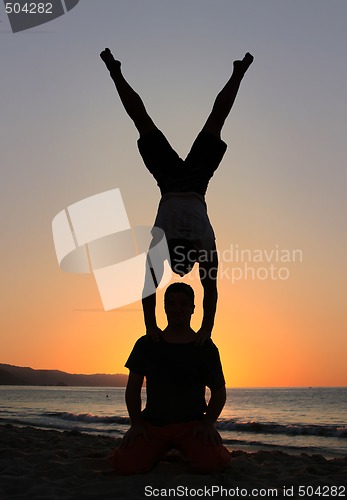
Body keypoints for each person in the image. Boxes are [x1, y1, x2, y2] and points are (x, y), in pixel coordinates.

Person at [100, 49, 253, 343]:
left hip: (194, 182)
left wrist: (204, 330)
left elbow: (209, 292)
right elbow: (150, 290)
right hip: (170, 181)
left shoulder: (204, 244)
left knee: (214, 120)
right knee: (142, 121)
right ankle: (115, 70)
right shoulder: (163, 244)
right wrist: (153, 327)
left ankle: (239, 72)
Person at [109, 282, 230, 475]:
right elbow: (133, 389)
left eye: (183, 304)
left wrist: (208, 424)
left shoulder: (204, 347)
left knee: (212, 464)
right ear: (164, 307)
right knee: (126, 465)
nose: (177, 309)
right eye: (171, 303)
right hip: (154, 425)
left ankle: (198, 451)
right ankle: (156, 451)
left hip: (192, 426)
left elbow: (219, 392)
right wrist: (136, 424)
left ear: (192, 308)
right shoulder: (147, 343)